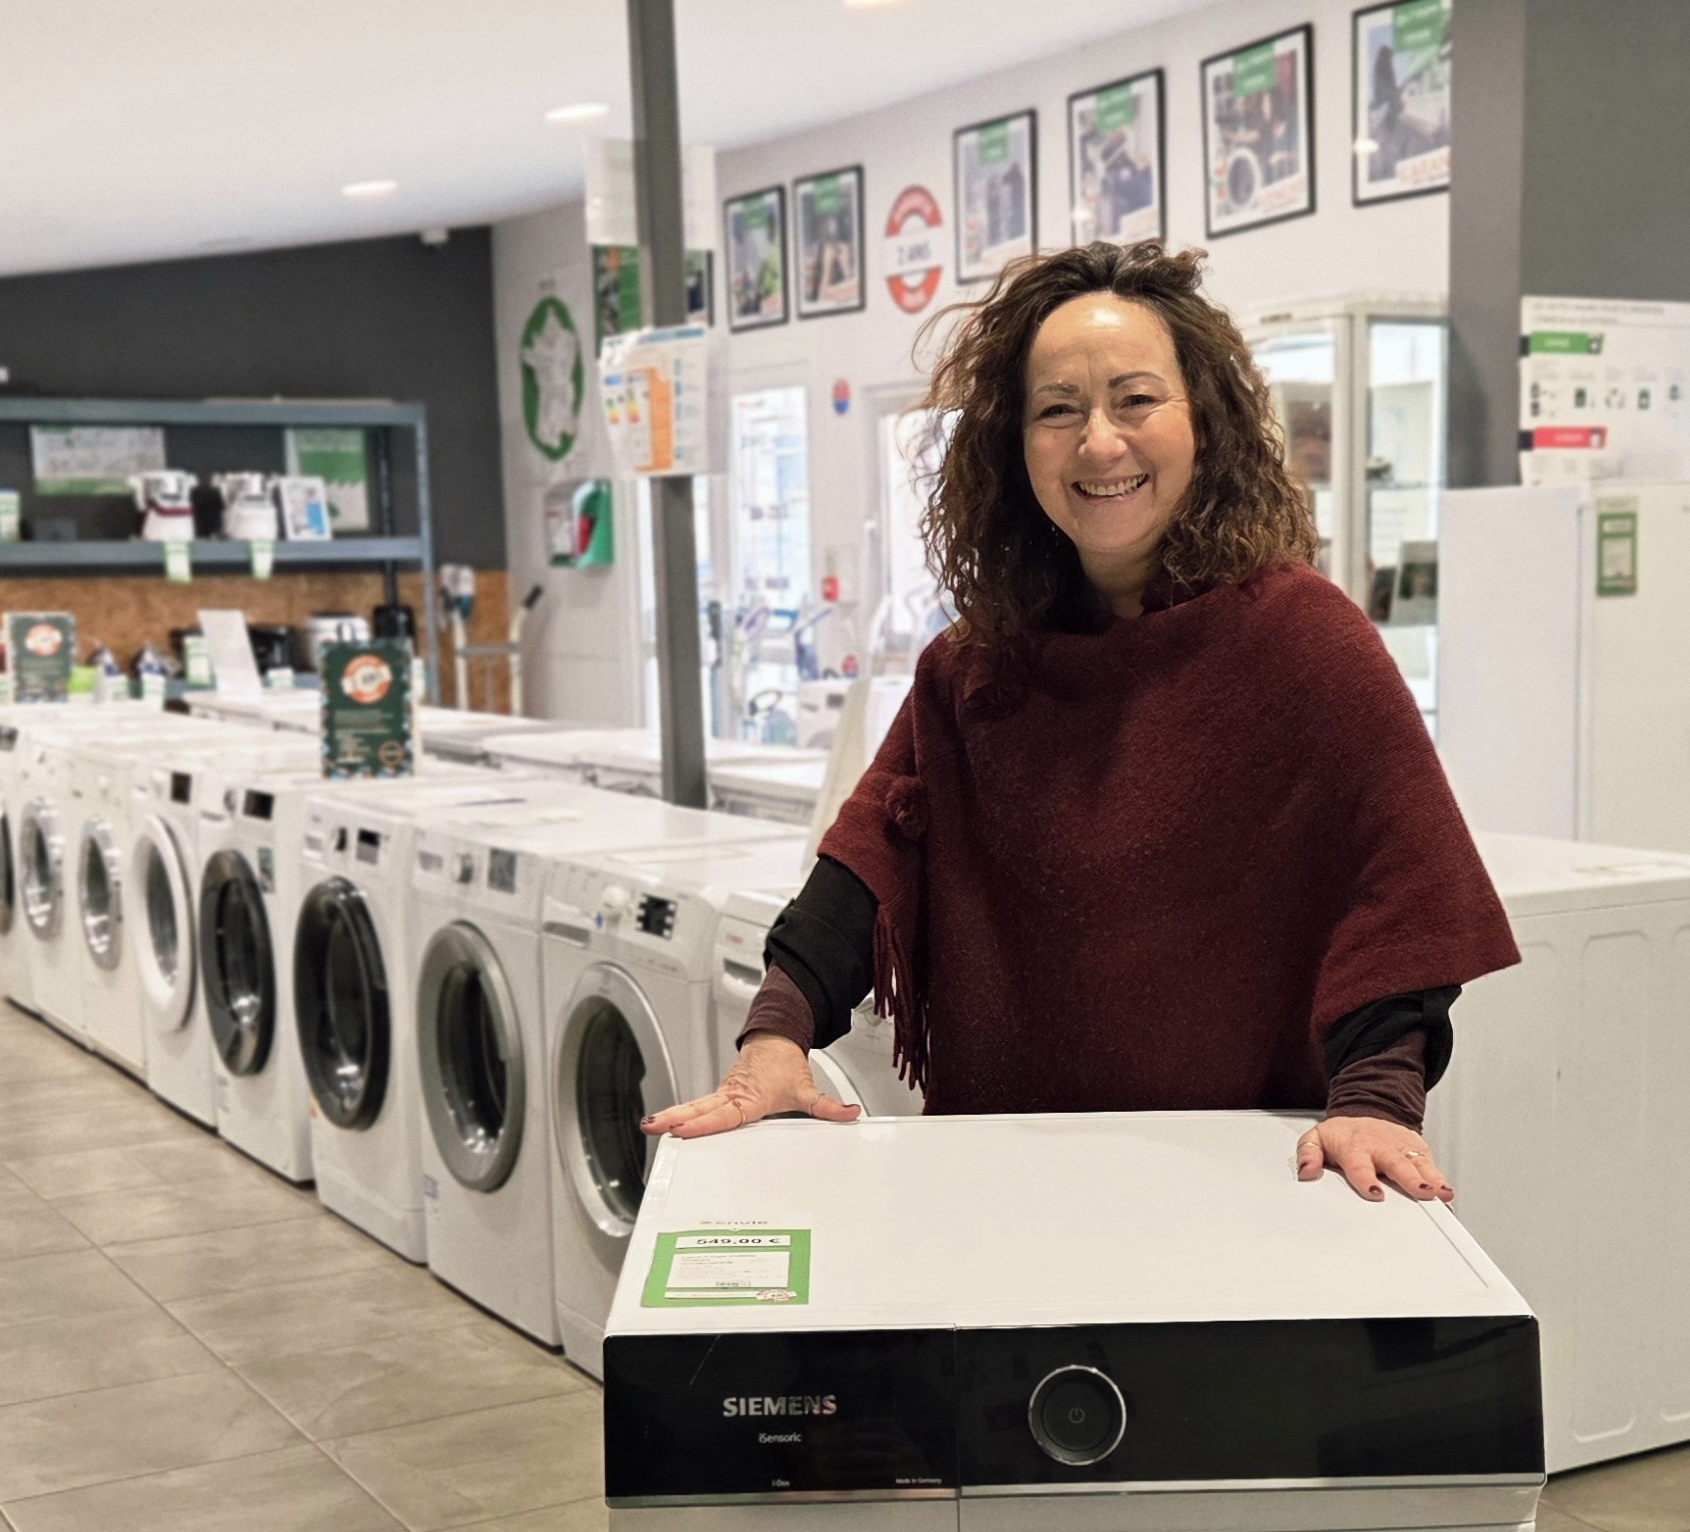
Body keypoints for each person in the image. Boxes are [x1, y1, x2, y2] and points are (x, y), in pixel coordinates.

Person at [645, 240, 1516, 1203]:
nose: (1099, 442)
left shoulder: (1301, 639)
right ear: (1014, 447)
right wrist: (774, 1038)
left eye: (1136, 399)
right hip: (1009, 1174)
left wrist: (1378, 1101)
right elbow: (865, 869)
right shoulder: (974, 667)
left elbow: (1401, 883)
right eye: (1057, 410)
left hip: (1240, 1179)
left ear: (1207, 421)